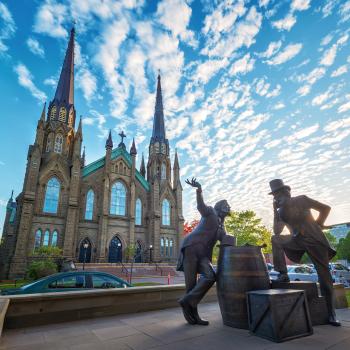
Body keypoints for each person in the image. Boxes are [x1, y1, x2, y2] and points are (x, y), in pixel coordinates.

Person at [269, 179, 341, 326]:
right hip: (296, 240)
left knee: (324, 276)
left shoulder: (302, 199)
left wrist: (319, 223)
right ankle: (283, 274)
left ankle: (331, 313)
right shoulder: (280, 210)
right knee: (275, 239)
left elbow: (325, 208)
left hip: (314, 240)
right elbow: (277, 230)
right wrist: (275, 212)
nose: (276, 198)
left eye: (277, 194)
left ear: (286, 192)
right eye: (274, 196)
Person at [177, 178, 231, 325]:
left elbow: (226, 241)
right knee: (191, 285)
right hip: (191, 248)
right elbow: (201, 206)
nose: (229, 208)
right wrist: (199, 189)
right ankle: (193, 316)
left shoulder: (221, 227)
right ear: (221, 207)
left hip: (203, 255)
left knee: (210, 276)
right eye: (227, 206)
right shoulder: (211, 212)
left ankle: (187, 301)